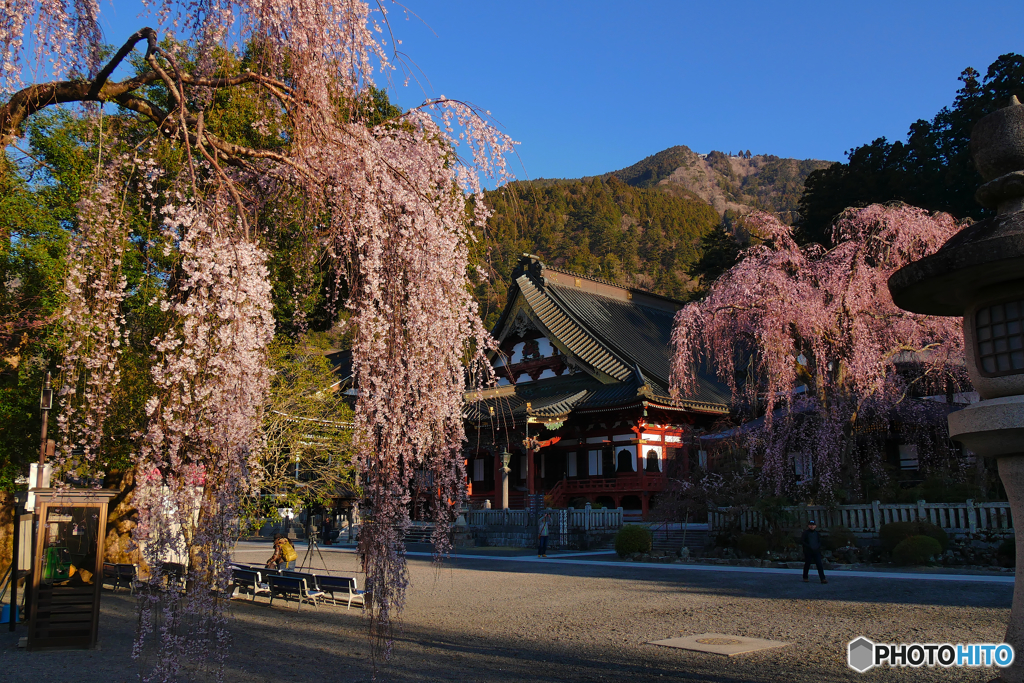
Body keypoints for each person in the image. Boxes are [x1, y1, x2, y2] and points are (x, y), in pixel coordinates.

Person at [801, 520, 827, 584]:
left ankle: (822, 578)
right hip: (808, 551)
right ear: (808, 526)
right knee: (807, 564)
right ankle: (805, 577)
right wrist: (808, 546)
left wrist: (818, 547)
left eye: (813, 525)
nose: (812, 526)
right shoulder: (805, 533)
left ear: (815, 526)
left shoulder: (817, 533)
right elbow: (802, 541)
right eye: (811, 525)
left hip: (816, 551)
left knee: (819, 564)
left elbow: (819, 541)